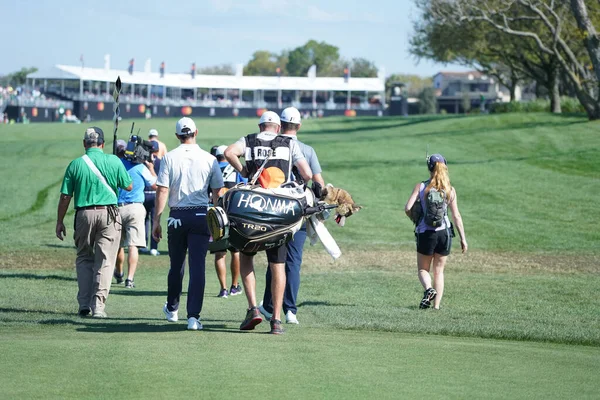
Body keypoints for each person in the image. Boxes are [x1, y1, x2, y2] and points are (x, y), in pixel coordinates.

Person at [224, 110, 313, 334]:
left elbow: (229, 152)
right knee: (278, 266)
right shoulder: (288, 143)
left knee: (246, 258)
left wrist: (244, 170)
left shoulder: (249, 140)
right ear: (278, 127)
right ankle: (275, 320)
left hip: (251, 208)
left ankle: (253, 308)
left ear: (260, 125)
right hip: (279, 213)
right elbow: (307, 173)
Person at [153, 117, 224, 331]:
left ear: (177, 136)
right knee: (198, 266)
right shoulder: (209, 158)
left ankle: (173, 308)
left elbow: (163, 190)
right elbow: (217, 191)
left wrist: (156, 219)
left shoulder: (169, 158)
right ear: (196, 132)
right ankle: (193, 317)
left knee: (176, 265)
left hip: (176, 216)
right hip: (201, 215)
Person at [55, 127, 132, 318]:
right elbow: (128, 185)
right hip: (109, 214)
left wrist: (59, 221)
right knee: (105, 261)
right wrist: (115, 166)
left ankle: (83, 304)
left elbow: (65, 196)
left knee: (84, 258)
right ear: (103, 144)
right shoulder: (113, 160)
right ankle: (98, 306)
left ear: (84, 144)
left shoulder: (75, 164)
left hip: (84, 214)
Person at [258, 107, 324, 325]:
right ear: (299, 126)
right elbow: (318, 182)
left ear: (280, 125)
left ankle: (268, 307)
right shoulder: (307, 149)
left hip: (273, 210)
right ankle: (290, 310)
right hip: (299, 212)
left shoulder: (270, 145)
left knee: (274, 261)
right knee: (293, 262)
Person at [404, 154, 468, 310]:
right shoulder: (450, 190)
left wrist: (416, 218)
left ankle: (428, 289)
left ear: (429, 168)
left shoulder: (421, 187)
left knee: (423, 269)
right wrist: (463, 239)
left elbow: (407, 208)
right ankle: (436, 307)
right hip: (444, 233)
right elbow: (456, 216)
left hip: (426, 233)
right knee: (439, 272)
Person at [113, 139, 158, 288]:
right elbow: (154, 185)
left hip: (117, 208)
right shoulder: (141, 167)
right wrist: (151, 168)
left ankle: (119, 273)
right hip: (135, 208)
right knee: (133, 245)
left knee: (118, 246)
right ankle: (130, 279)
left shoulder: (118, 165)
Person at [209, 145, 246, 299]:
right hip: (233, 214)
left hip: (215, 214)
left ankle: (223, 288)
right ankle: (234, 286)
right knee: (235, 251)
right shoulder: (235, 169)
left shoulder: (211, 170)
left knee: (219, 254)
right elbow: (244, 186)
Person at [142, 150, 163, 256]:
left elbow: (159, 180)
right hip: (149, 194)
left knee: (150, 220)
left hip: (150, 195)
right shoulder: (158, 161)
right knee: (148, 221)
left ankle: (150, 246)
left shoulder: (144, 161)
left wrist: (151, 169)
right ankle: (146, 246)